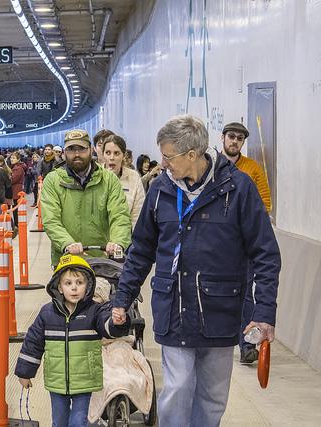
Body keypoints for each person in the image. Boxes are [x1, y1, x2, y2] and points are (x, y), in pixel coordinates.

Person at [112, 115, 281, 427]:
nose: (162, 163)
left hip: (220, 309)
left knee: (212, 395)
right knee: (177, 387)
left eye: (168, 156)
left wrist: (264, 311)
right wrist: (122, 298)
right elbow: (142, 250)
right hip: (173, 306)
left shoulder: (238, 188)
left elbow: (266, 253)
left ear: (192, 154)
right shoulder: (161, 189)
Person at [15, 255, 129, 427]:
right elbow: (33, 343)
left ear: (88, 286)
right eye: (68, 283)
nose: (74, 288)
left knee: (78, 421)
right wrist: (25, 372)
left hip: (84, 379)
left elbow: (107, 326)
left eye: (79, 283)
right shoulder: (47, 313)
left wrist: (117, 322)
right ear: (59, 287)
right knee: (59, 422)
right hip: (57, 381)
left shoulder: (94, 311)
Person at [220, 121, 272, 365]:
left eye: (239, 139)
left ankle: (247, 344)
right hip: (220, 243)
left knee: (247, 295)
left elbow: (265, 204)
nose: (235, 142)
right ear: (223, 138)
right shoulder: (211, 167)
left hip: (246, 244)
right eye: (231, 136)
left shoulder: (252, 169)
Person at [41, 129, 132, 266]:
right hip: (67, 259)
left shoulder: (108, 180)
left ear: (91, 150)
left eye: (82, 149)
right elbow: (51, 220)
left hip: (103, 259)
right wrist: (67, 243)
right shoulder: (52, 181)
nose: (77, 154)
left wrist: (118, 242)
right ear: (64, 153)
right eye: (71, 149)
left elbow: (119, 215)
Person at [101, 135, 146, 228]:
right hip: (99, 239)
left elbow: (137, 215)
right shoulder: (95, 176)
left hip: (126, 237)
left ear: (123, 155)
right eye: (108, 153)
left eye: (116, 153)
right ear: (103, 154)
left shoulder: (134, 177)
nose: (112, 157)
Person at [9, 152, 27, 228]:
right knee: (15, 210)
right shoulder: (15, 167)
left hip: (16, 191)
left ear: (18, 159)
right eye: (11, 158)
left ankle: (17, 225)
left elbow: (13, 180)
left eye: (14, 158)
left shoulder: (18, 168)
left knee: (16, 210)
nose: (11, 159)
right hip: (15, 190)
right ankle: (17, 225)